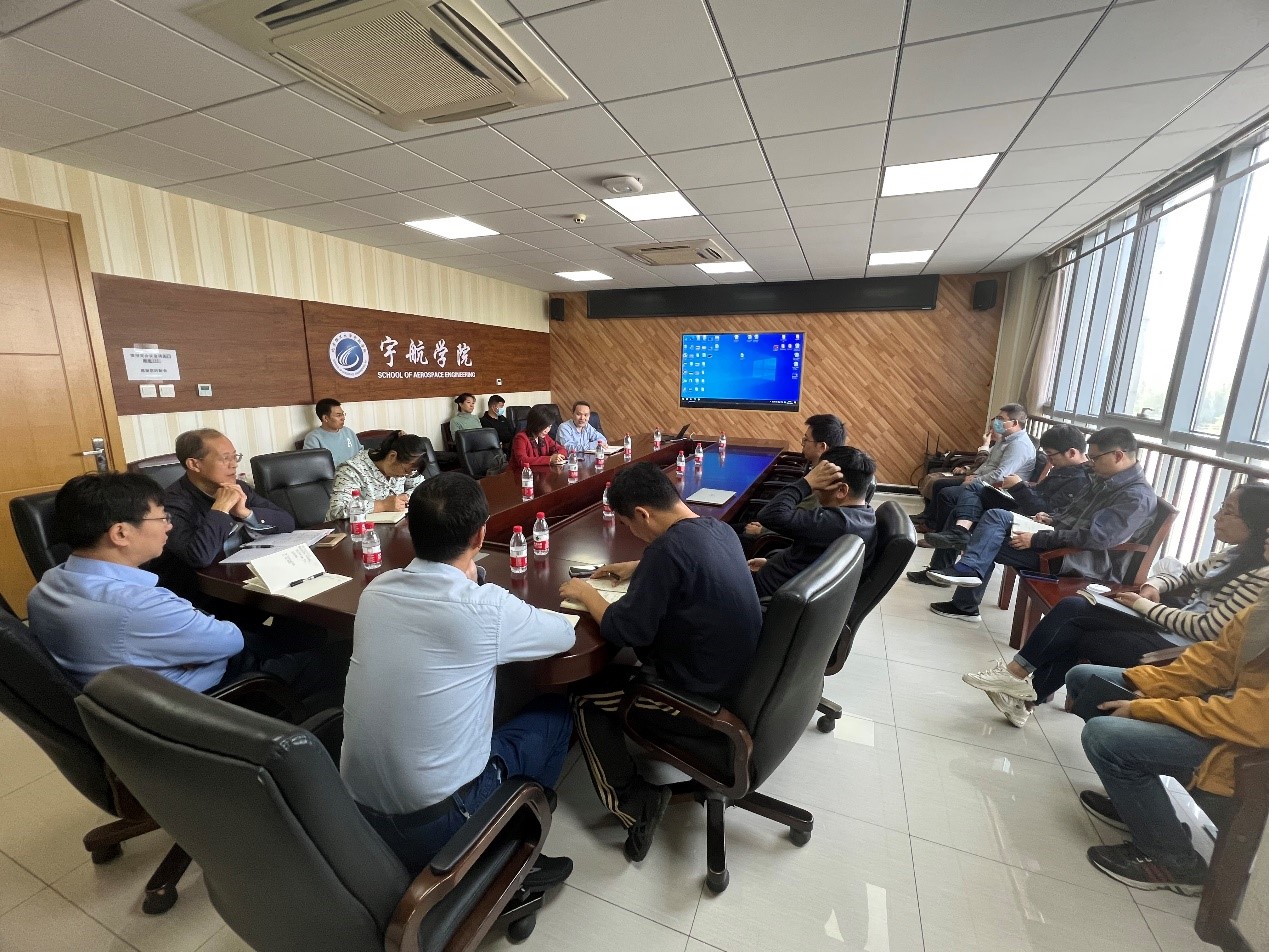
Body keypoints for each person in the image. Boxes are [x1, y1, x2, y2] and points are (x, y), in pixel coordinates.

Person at [340, 472, 576, 887]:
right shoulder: (485, 609)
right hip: (438, 824)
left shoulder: (376, 591)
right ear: (481, 535)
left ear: (410, 529)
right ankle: (516, 846)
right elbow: (564, 635)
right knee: (556, 714)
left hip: (356, 816)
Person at [560, 463, 763, 862]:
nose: (631, 534)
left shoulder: (665, 551)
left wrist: (586, 593)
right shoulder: (718, 529)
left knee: (585, 698)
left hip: (700, 700)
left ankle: (634, 804)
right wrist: (638, 567)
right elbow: (693, 562)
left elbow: (626, 630)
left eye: (628, 525)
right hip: (740, 677)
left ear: (643, 514)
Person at [27, 472, 345, 706]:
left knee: (299, 629)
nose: (169, 526)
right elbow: (230, 642)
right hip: (214, 700)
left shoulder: (47, 586)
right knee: (340, 655)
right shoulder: (138, 605)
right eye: (161, 518)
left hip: (136, 689)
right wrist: (197, 651)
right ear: (121, 533)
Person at [963, 485, 1269, 727]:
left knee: (1080, 630)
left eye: (1228, 512)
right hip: (1168, 626)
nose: (1217, 516)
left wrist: (1144, 606)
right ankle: (1019, 685)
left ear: (1255, 524)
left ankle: (1022, 692)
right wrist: (1153, 585)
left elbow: (1208, 630)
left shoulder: (1260, 576)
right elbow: (1184, 574)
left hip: (1183, 649)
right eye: (1221, 507)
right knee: (1074, 607)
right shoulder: (1233, 555)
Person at [1068, 583, 1269, 896]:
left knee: (1104, 738)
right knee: (1085, 679)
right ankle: (1141, 810)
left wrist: (1149, 708)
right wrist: (1144, 685)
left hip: (1246, 755)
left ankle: (1173, 859)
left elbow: (1253, 720)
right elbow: (1210, 663)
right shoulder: (1262, 611)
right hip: (1225, 725)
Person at [926, 426, 1157, 623]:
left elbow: (1097, 538)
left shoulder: (1135, 497)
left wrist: (1037, 538)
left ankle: (966, 596)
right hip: (1062, 543)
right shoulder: (1105, 480)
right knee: (994, 520)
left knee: (988, 537)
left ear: (1118, 455)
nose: (1091, 463)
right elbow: (1076, 515)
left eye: (1095, 458)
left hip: (1077, 559)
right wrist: (1052, 519)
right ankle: (968, 579)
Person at [909, 423, 1091, 585]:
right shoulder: (1065, 469)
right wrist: (1022, 486)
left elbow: (1042, 510)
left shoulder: (1080, 480)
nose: (1050, 462)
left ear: (1072, 452)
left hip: (1032, 522)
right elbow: (1042, 496)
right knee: (973, 494)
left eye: (1051, 456)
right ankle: (958, 535)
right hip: (1024, 507)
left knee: (982, 523)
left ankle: (962, 596)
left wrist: (1019, 487)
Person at [156, 428, 295, 600]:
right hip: (202, 594)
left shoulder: (238, 488)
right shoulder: (171, 504)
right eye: (225, 458)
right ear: (194, 464)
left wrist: (246, 513)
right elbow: (199, 557)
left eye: (235, 457)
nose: (234, 464)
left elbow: (287, 522)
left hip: (245, 578)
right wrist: (220, 509)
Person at [748, 446, 878, 598]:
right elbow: (810, 558)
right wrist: (770, 563)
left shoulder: (835, 522)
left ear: (841, 490)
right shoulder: (865, 515)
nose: (815, 486)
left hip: (760, 593)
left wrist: (806, 483)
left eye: (820, 479)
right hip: (778, 579)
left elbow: (770, 515)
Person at [916, 404, 1036, 530]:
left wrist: (975, 481)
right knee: (939, 484)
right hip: (984, 481)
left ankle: (941, 531)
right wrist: (974, 475)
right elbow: (988, 463)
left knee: (947, 494)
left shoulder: (1019, 445)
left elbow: (1001, 475)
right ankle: (929, 522)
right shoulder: (1005, 438)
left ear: (1014, 423)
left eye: (1001, 419)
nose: (996, 422)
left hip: (999, 490)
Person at [741, 413, 847, 542]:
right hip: (777, 520)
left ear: (822, 447)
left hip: (774, 537)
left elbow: (804, 524)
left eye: (806, 440)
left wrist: (763, 531)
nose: (802, 443)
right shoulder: (822, 469)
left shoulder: (824, 482)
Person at [326, 431, 427, 520]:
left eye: (411, 471)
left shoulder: (406, 467)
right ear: (392, 456)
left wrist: (406, 497)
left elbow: (423, 486)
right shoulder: (351, 470)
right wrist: (382, 505)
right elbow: (337, 510)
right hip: (348, 531)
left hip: (389, 528)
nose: (406, 475)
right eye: (405, 471)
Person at [302, 397, 362, 467]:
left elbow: (361, 454)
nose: (343, 418)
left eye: (343, 414)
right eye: (338, 415)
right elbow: (312, 465)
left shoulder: (348, 432)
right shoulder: (313, 438)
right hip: (335, 473)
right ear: (325, 418)